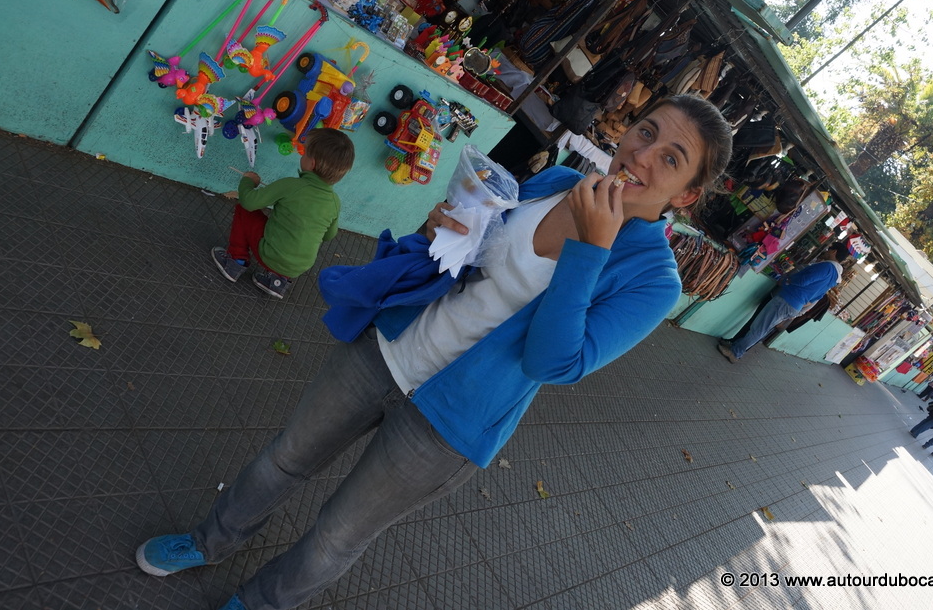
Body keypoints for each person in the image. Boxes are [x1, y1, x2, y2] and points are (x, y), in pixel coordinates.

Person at [135, 95, 733, 610]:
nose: (643, 155)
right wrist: (441, 231)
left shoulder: (654, 280)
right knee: (284, 459)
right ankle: (209, 541)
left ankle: (260, 602)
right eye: (646, 132)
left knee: (338, 535)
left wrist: (591, 249)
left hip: (451, 422)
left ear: (687, 195)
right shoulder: (556, 181)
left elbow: (554, 363)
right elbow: (475, 255)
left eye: (671, 158)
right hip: (391, 347)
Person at [210, 128, 355, 299]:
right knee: (291, 241)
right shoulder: (335, 202)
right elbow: (329, 235)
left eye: (304, 152)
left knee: (244, 209)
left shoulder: (291, 185)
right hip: (298, 267)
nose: (302, 155)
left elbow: (249, 202)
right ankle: (277, 282)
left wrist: (248, 181)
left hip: (269, 256)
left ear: (312, 163)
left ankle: (235, 261)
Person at [717, 241, 849, 363]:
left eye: (829, 249)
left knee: (758, 328)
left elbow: (803, 280)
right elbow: (816, 297)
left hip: (787, 299)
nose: (826, 251)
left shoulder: (827, 267)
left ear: (834, 252)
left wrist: (788, 280)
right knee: (761, 328)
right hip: (795, 305)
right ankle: (735, 347)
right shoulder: (835, 277)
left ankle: (735, 352)